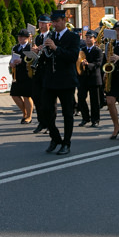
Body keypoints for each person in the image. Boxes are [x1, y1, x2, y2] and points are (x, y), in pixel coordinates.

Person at [33, 10, 79, 155]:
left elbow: (72, 57)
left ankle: (66, 143)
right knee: (45, 111)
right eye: (53, 22)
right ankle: (55, 137)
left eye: (57, 21)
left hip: (66, 80)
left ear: (64, 21)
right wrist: (39, 52)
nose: (55, 24)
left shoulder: (73, 37)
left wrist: (56, 48)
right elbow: (47, 58)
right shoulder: (50, 35)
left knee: (67, 113)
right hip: (50, 79)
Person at [77, 29, 103, 128]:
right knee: (81, 98)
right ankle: (85, 118)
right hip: (83, 78)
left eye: (90, 38)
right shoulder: (82, 50)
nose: (88, 40)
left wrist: (88, 64)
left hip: (94, 78)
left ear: (95, 39)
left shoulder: (98, 50)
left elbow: (98, 63)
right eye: (86, 37)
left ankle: (95, 120)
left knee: (95, 101)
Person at [30, 14, 51, 133]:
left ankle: (49, 123)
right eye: (40, 23)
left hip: (48, 70)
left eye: (43, 23)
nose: (41, 25)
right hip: (38, 70)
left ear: (49, 24)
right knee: (36, 96)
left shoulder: (52, 36)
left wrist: (43, 49)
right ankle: (41, 122)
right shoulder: (37, 38)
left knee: (47, 99)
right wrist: (33, 51)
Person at [9, 29, 34, 124]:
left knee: (27, 96)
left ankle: (29, 116)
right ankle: (24, 112)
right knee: (14, 94)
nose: (20, 38)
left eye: (22, 37)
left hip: (27, 74)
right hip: (17, 74)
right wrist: (11, 63)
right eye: (19, 37)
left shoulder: (30, 47)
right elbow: (12, 58)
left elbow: (32, 59)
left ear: (27, 38)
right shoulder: (15, 48)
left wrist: (21, 61)